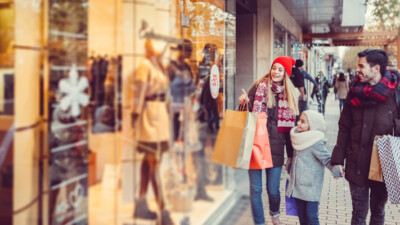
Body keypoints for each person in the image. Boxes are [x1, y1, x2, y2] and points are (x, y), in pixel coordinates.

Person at [331, 49, 400, 225]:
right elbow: (344, 127)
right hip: (357, 163)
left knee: (378, 211)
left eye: (362, 65)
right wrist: (337, 159)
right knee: (359, 213)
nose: (357, 69)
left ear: (375, 68)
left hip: (384, 165)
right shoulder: (354, 91)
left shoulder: (396, 93)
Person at [239, 56, 299, 225]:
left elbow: (290, 131)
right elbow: (246, 114)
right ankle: (260, 222)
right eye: (274, 68)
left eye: (280, 69)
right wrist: (243, 104)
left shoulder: (290, 94)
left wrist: (291, 155)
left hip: (276, 147)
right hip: (255, 143)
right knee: (255, 189)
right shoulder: (258, 86)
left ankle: (274, 212)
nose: (276, 72)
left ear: (286, 73)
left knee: (273, 190)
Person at [131, 39, 173, 225]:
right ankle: (163, 211)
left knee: (149, 162)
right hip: (149, 118)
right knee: (153, 163)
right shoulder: (145, 66)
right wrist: (134, 115)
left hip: (160, 117)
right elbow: (138, 93)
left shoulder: (159, 67)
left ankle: (141, 204)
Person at [286, 110, 335, 225]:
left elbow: (326, 159)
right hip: (297, 186)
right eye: (299, 120)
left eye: (303, 122)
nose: (298, 123)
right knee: (302, 217)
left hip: (311, 187)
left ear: (312, 126)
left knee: (311, 216)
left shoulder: (315, 142)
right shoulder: (297, 139)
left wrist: (337, 170)